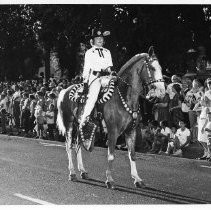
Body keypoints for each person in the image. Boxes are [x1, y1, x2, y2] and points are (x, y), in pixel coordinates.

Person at [79, 28, 113, 128]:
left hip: (106, 77)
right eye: (97, 38)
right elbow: (86, 69)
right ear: (92, 40)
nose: (100, 40)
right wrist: (85, 82)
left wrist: (112, 74)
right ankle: (84, 120)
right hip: (95, 78)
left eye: (101, 38)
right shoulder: (89, 52)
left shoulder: (107, 51)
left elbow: (109, 67)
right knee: (92, 98)